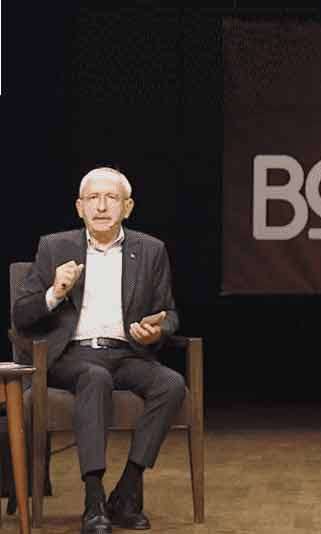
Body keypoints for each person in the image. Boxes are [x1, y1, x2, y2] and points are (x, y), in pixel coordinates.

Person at [13, 167, 186, 534]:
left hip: (127, 353)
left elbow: (169, 312)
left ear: (128, 207)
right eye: (93, 198)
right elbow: (22, 315)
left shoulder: (151, 250)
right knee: (95, 376)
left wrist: (156, 330)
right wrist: (56, 292)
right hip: (70, 356)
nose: (102, 206)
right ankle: (94, 500)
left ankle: (126, 491)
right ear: (80, 207)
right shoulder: (54, 247)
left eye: (112, 198)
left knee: (171, 384)